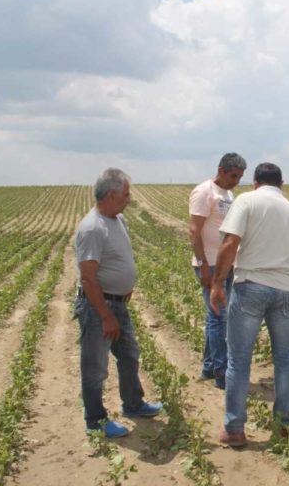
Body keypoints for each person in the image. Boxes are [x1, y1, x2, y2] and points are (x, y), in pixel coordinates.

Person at [210, 163, 289, 448]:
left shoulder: (246, 201)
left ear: (255, 182)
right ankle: (283, 425)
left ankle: (235, 429)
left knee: (239, 360)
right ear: (282, 183)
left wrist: (217, 283)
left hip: (250, 285)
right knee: (285, 359)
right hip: (285, 290)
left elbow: (229, 244)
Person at [74, 168, 162, 438]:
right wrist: (106, 315)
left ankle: (133, 404)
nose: (129, 199)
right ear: (111, 195)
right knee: (95, 367)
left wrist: (123, 292)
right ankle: (96, 421)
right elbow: (88, 279)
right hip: (98, 307)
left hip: (117, 304)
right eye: (125, 194)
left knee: (129, 355)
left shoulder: (117, 219)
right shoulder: (92, 228)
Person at [189, 153, 246, 389]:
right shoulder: (204, 192)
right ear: (221, 170)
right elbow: (194, 231)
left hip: (226, 263)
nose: (236, 181)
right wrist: (202, 264)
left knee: (219, 317)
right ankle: (222, 373)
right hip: (210, 264)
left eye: (240, 177)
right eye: (233, 175)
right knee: (218, 318)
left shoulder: (229, 195)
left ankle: (209, 367)